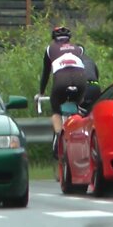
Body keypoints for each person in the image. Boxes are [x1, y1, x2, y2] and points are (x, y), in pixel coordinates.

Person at [35, 26, 87, 159]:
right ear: (69, 39)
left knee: (56, 108)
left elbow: (46, 74)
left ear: (54, 38)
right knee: (79, 105)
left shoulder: (49, 49)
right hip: (80, 81)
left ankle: (58, 137)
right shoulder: (78, 49)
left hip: (61, 82)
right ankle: (80, 135)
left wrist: (41, 92)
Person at [76, 44, 101, 111]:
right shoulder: (90, 60)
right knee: (94, 109)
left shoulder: (74, 61)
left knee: (76, 109)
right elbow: (96, 75)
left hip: (83, 87)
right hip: (95, 87)